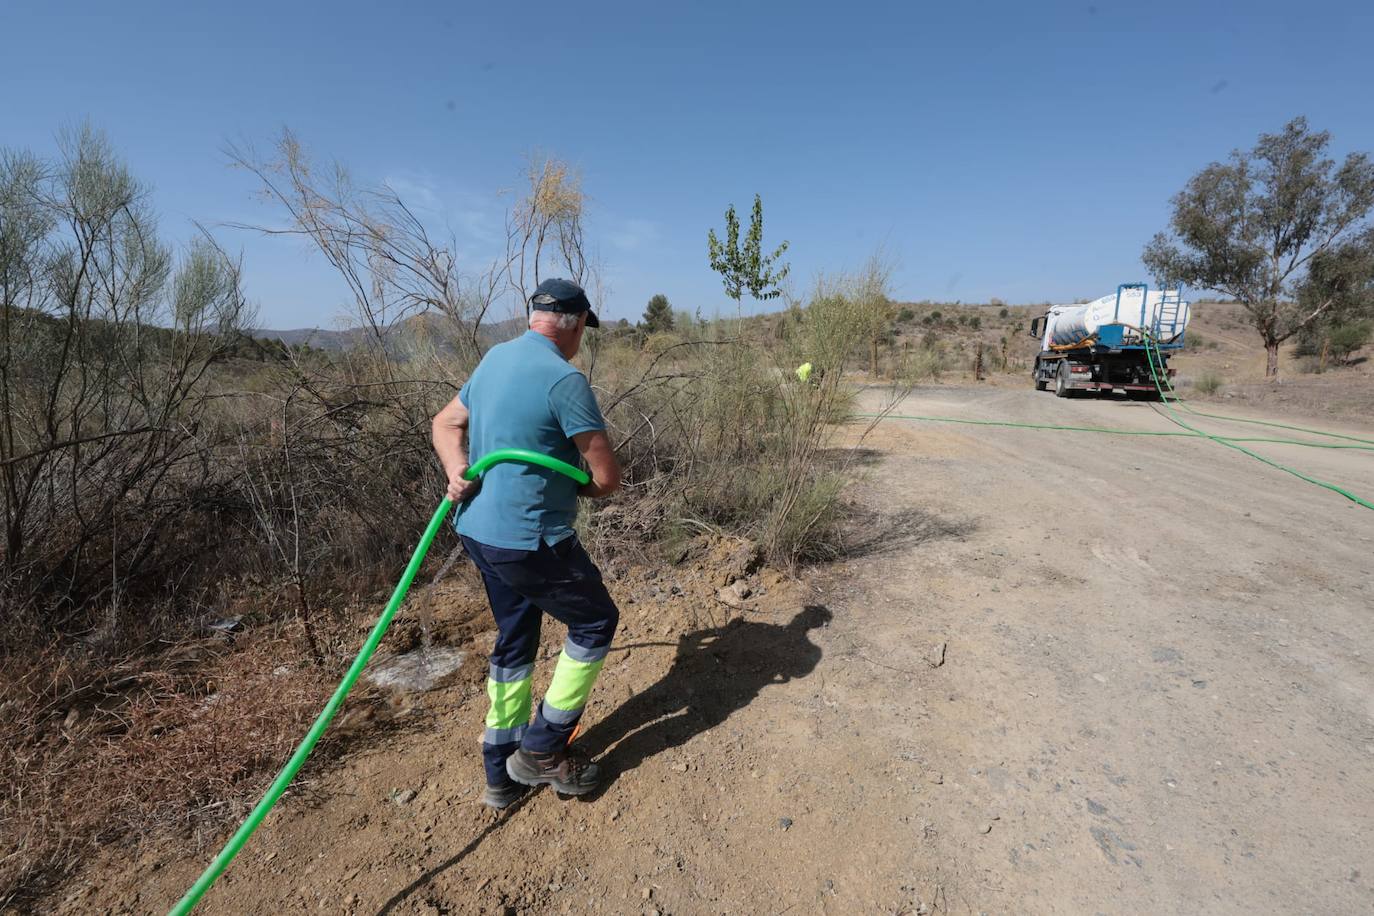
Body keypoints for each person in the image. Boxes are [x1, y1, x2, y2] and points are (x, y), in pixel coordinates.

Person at [431, 278, 623, 808]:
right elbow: (606, 478)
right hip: (531, 540)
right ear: (577, 323)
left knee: (516, 639)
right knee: (594, 620)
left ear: (534, 316)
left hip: (478, 533)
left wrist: (457, 467)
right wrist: (581, 483)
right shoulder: (565, 380)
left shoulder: (495, 358)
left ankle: (501, 772)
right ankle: (541, 748)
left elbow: (446, 423)